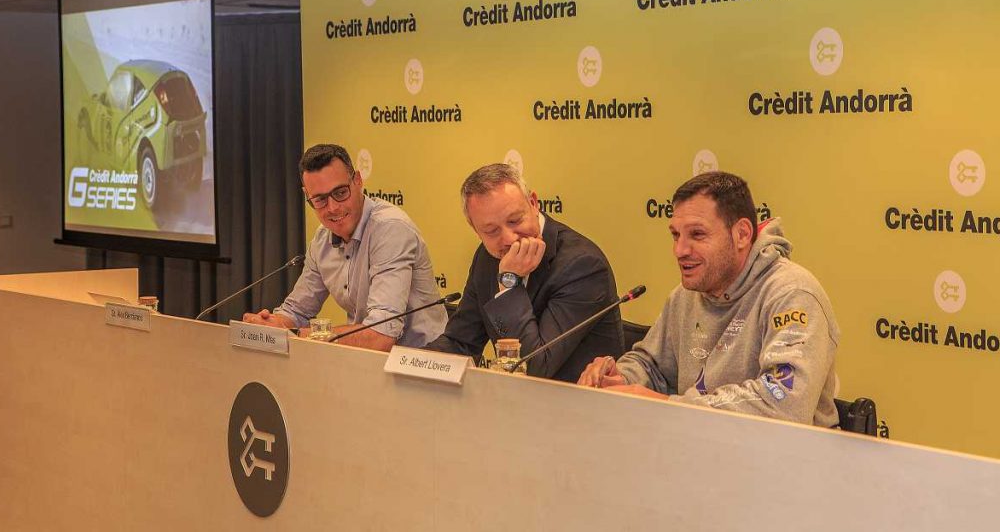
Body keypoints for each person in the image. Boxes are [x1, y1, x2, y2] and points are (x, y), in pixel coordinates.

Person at [578, 171, 840, 426]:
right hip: (700, 447)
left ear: (742, 234)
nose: (679, 250)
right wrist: (621, 378)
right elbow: (652, 365)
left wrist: (669, 405)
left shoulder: (792, 294)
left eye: (697, 234)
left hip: (785, 454)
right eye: (675, 235)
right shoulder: (684, 296)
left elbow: (785, 405)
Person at [425, 163, 623, 382]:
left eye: (514, 221)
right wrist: (408, 362)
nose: (509, 239)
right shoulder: (487, 256)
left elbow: (533, 367)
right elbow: (461, 342)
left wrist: (509, 282)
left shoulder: (582, 265)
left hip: (573, 399)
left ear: (533, 203)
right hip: (513, 397)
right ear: (476, 230)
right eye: (491, 231)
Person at [244, 144, 446, 351]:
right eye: (320, 200)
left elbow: (382, 336)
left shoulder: (390, 229)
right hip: (365, 359)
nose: (333, 208)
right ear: (307, 196)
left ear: (358, 181)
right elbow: (296, 311)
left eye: (340, 193)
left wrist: (295, 334)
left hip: (424, 359)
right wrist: (270, 325)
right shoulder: (322, 239)